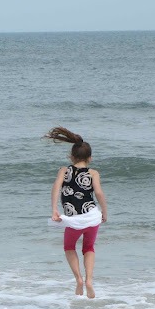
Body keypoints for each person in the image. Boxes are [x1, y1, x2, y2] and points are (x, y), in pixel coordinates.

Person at [48, 127, 108, 299]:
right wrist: (104, 211)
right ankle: (89, 280)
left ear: (71, 157)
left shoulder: (64, 170)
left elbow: (56, 188)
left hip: (73, 220)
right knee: (88, 248)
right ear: (90, 158)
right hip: (91, 217)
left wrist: (54, 210)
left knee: (69, 247)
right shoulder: (93, 172)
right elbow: (99, 193)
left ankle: (79, 280)